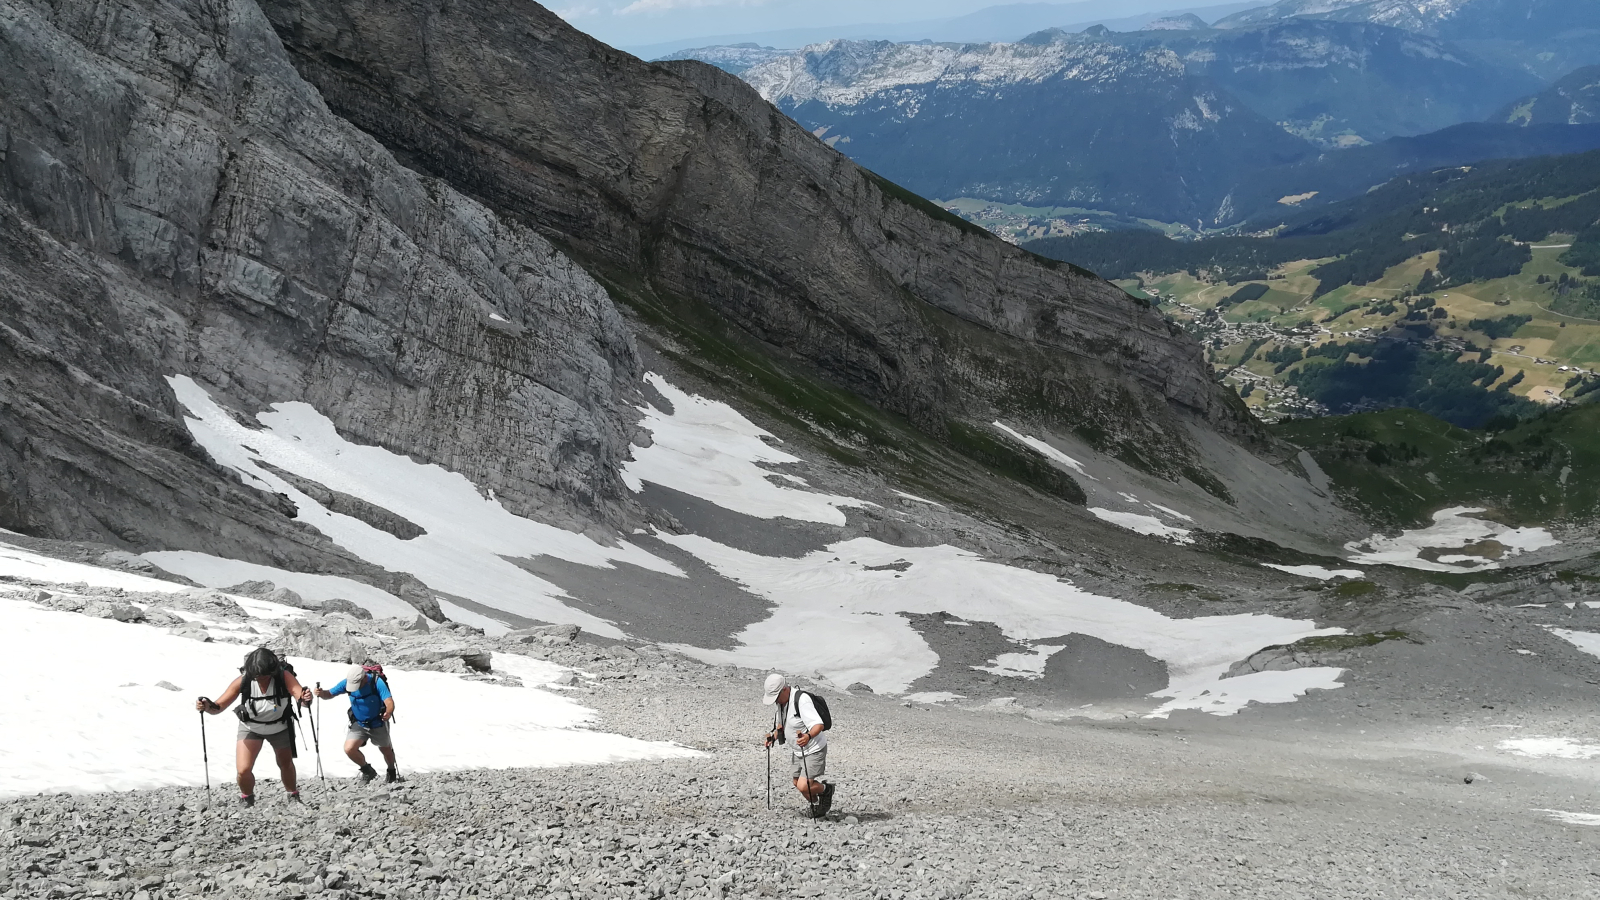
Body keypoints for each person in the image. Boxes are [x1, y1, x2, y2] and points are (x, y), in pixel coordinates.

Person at [196, 647, 311, 807]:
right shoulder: (243, 680)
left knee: (285, 764)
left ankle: (293, 795)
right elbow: (219, 707)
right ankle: (247, 798)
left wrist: (305, 698)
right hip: (250, 728)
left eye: (264, 676)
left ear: (272, 671)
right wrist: (207, 706)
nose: (260, 679)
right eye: (256, 676)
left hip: (280, 727)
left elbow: (299, 696)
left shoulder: (284, 676)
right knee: (243, 770)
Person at [762, 673, 834, 817]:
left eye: (776, 697)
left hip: (813, 749)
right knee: (797, 782)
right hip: (798, 751)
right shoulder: (782, 703)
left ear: (784, 689)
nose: (775, 701)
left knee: (803, 785)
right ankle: (816, 807)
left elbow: (818, 725)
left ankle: (827, 790)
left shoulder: (802, 701)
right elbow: (781, 725)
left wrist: (808, 736)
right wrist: (773, 738)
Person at [316, 663, 399, 784]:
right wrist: (321, 693)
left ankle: (391, 771)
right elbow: (329, 694)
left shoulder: (376, 682)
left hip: (378, 722)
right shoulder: (346, 683)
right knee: (349, 749)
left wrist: (389, 712)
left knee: (386, 749)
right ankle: (367, 770)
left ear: (364, 678)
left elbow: (389, 701)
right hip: (359, 723)